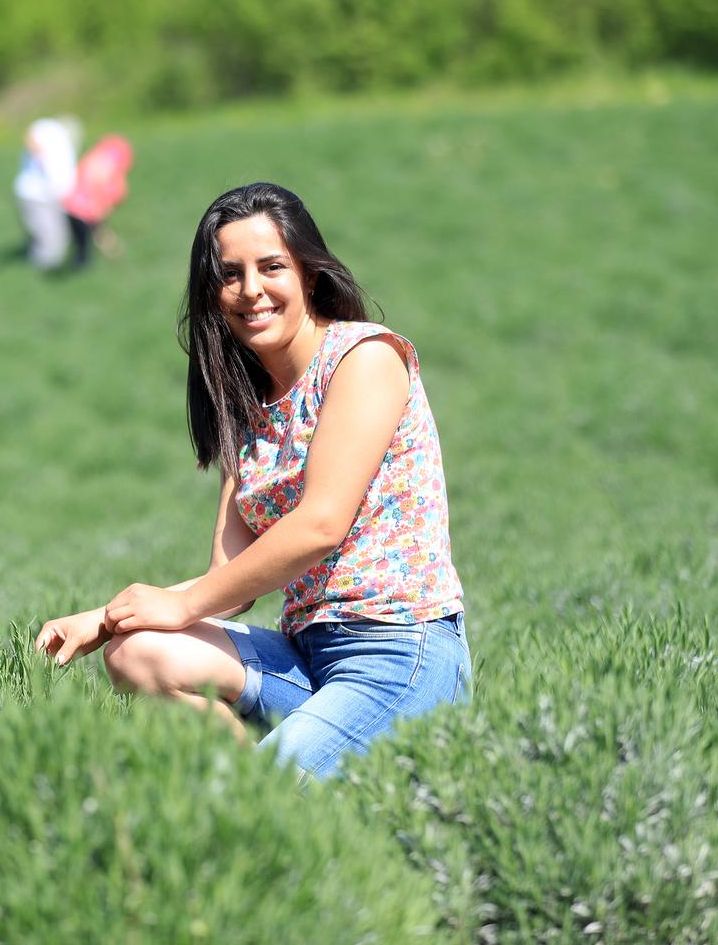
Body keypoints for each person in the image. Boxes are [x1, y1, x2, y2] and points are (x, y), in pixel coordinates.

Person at [35, 182, 470, 779]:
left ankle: (264, 801)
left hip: (400, 658)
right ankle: (251, 784)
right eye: (231, 274)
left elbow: (320, 525)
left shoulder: (366, 359)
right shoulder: (247, 407)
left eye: (271, 267)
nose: (251, 290)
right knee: (137, 652)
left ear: (310, 275)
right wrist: (105, 620)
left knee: (270, 795)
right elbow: (231, 584)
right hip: (307, 658)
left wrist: (179, 602)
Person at [13, 117, 81, 271]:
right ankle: (39, 275)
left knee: (59, 237)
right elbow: (31, 140)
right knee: (49, 239)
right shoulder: (50, 129)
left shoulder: (63, 144)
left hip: (54, 196)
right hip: (36, 196)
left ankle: (46, 272)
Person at [63, 134, 133, 260]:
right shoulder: (102, 167)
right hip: (83, 209)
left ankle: (113, 253)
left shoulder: (92, 160)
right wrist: (101, 204)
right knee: (86, 242)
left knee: (92, 234)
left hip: (75, 207)